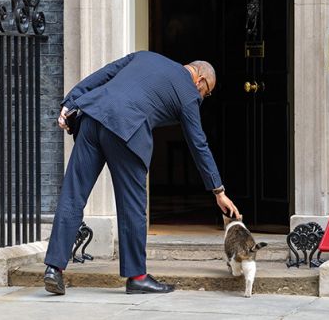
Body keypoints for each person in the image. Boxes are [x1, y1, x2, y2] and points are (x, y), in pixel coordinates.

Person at [43, 50, 241, 295]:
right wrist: (218, 190)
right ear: (200, 80)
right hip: (126, 131)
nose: (203, 98)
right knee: (132, 206)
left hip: (92, 118)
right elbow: (198, 143)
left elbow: (104, 74)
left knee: (73, 194)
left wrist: (70, 101)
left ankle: (54, 269)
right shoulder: (189, 92)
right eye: (206, 92)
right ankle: (137, 277)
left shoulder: (145, 57)